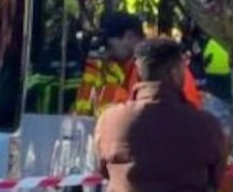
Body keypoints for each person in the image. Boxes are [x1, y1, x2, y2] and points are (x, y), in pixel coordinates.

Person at [95, 38, 227, 192]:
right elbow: (216, 177)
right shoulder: (205, 126)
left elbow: (103, 170)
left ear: (139, 72)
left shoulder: (110, 122)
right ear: (174, 72)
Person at [74, 11, 202, 116]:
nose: (106, 49)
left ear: (130, 37)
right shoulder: (108, 68)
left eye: (108, 42)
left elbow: (188, 112)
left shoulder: (163, 63)